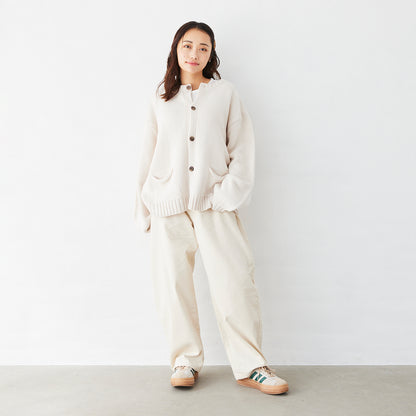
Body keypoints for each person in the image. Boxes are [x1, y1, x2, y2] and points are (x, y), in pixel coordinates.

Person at [134, 21, 289, 395]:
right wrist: (143, 206)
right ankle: (184, 360)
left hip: (215, 203)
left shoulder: (225, 94)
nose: (194, 53)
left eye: (203, 48)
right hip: (167, 205)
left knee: (235, 282)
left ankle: (251, 365)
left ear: (211, 53)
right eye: (187, 45)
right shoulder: (160, 97)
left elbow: (242, 147)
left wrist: (227, 195)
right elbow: (147, 152)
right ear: (176, 49)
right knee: (173, 287)